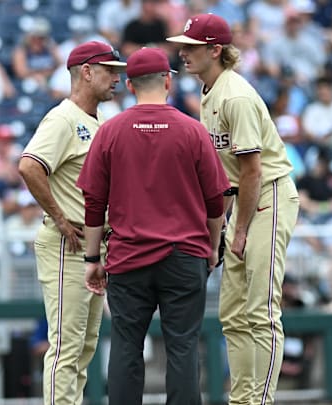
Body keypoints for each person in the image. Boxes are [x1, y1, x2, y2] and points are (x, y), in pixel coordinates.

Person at [77, 47, 230, 405]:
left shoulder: (110, 131)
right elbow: (215, 200)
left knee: (127, 345)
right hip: (184, 255)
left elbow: (94, 202)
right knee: (183, 347)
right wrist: (211, 246)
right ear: (167, 80)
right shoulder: (192, 130)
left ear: (129, 84)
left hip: (129, 257)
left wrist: (91, 258)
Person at [167, 14, 300, 405]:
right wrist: (218, 233)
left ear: (215, 50)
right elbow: (227, 177)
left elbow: (253, 170)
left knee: (261, 312)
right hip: (243, 203)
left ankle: (260, 400)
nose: (183, 53)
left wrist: (237, 231)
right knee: (233, 315)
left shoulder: (235, 95)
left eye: (191, 46)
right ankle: (242, 399)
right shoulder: (211, 92)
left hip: (267, 198)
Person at [17, 41, 126, 405]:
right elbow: (29, 166)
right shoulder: (63, 117)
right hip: (70, 242)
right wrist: (61, 218)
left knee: (84, 346)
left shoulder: (97, 120)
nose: (117, 78)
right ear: (86, 71)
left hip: (95, 245)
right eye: (110, 70)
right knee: (66, 345)